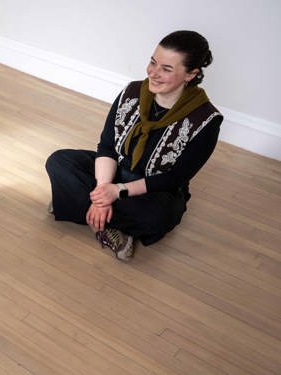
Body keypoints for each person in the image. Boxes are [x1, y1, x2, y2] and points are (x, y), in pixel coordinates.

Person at [45, 30, 222, 261]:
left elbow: (174, 179)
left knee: (158, 216)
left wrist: (117, 192)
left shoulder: (206, 120)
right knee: (59, 161)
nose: (153, 73)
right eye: (153, 62)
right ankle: (108, 218)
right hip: (115, 172)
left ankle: (78, 203)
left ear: (191, 74)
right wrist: (104, 190)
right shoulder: (131, 91)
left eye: (166, 69)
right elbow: (107, 146)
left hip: (153, 189)